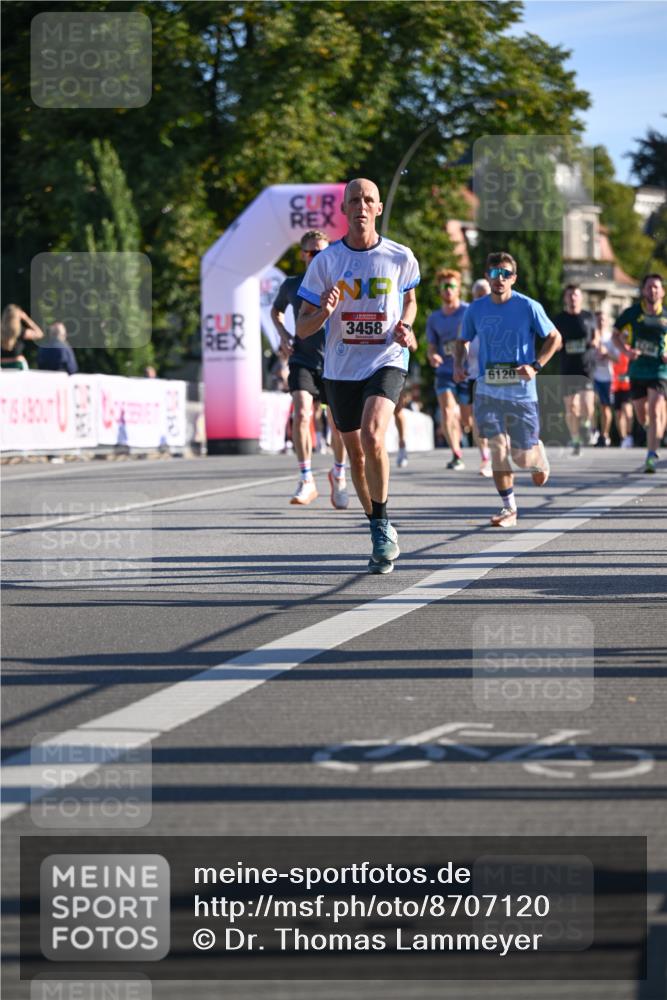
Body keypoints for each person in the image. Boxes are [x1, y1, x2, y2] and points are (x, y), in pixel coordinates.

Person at [296, 178, 419, 573]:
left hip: (386, 358)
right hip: (340, 367)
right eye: (354, 200)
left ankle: (382, 524)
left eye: (369, 200)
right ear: (344, 210)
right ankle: (377, 524)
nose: (362, 206)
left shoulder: (401, 257)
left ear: (378, 208)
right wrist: (324, 312)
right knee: (355, 455)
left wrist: (406, 324)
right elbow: (302, 328)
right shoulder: (326, 262)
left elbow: (411, 300)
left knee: (372, 435)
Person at [454, 251, 561, 528]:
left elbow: (554, 337)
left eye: (505, 274)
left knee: (521, 458)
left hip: (522, 392)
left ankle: (536, 451)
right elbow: (462, 340)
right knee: (497, 448)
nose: (499, 279)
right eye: (494, 273)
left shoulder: (528, 306)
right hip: (488, 389)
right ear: (487, 276)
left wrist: (536, 365)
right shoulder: (476, 309)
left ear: (513, 278)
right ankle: (509, 508)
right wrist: (459, 362)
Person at [271, 230, 349, 508]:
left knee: (339, 427)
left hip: (334, 362)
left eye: (324, 253)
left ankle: (338, 473)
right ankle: (306, 478)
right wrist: (282, 334)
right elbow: (276, 311)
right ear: (304, 255)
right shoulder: (292, 285)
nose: (319, 257)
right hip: (302, 359)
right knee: (302, 413)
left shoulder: (342, 283)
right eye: (313, 253)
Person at [426, 269, 491, 476]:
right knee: (446, 410)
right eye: (444, 286)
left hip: (467, 371)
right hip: (445, 371)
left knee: (469, 420)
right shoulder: (434, 318)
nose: (447, 290)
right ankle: (456, 454)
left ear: (458, 289)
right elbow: (431, 346)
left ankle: (485, 456)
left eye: (451, 286)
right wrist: (433, 356)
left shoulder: (468, 311)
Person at [612, 273, 667, 473]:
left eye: (656, 287)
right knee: (643, 415)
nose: (652, 290)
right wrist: (626, 351)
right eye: (649, 287)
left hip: (660, 370)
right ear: (643, 291)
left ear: (662, 291)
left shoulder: (666, 315)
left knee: (654, 409)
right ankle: (656, 430)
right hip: (637, 370)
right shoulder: (632, 313)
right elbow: (615, 335)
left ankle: (651, 456)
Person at [554, 284, 597, 456]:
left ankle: (586, 425)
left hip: (586, 368)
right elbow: (553, 340)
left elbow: (596, 335)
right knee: (571, 407)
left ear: (581, 298)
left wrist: (596, 342)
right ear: (565, 298)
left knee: (587, 405)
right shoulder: (559, 319)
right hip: (568, 368)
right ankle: (575, 438)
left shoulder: (588, 316)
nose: (573, 298)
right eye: (569, 295)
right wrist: (557, 345)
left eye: (576, 295)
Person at [590, 311, 617, 447]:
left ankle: (605, 434)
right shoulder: (591, 336)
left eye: (603, 320)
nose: (601, 322)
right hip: (592, 375)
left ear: (607, 321)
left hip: (607, 377)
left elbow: (617, 359)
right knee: (592, 403)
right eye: (598, 320)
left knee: (605, 407)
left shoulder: (611, 338)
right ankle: (593, 430)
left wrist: (607, 353)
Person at [1, 304, 43, 369]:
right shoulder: (21, 332)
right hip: (18, 364)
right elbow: (39, 334)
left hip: (2, 365)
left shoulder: (1, 332)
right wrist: (26, 318)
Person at [611, 349, 634, 447]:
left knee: (627, 411)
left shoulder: (630, 349)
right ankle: (623, 438)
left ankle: (629, 435)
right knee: (618, 414)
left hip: (627, 386)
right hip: (616, 386)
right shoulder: (613, 349)